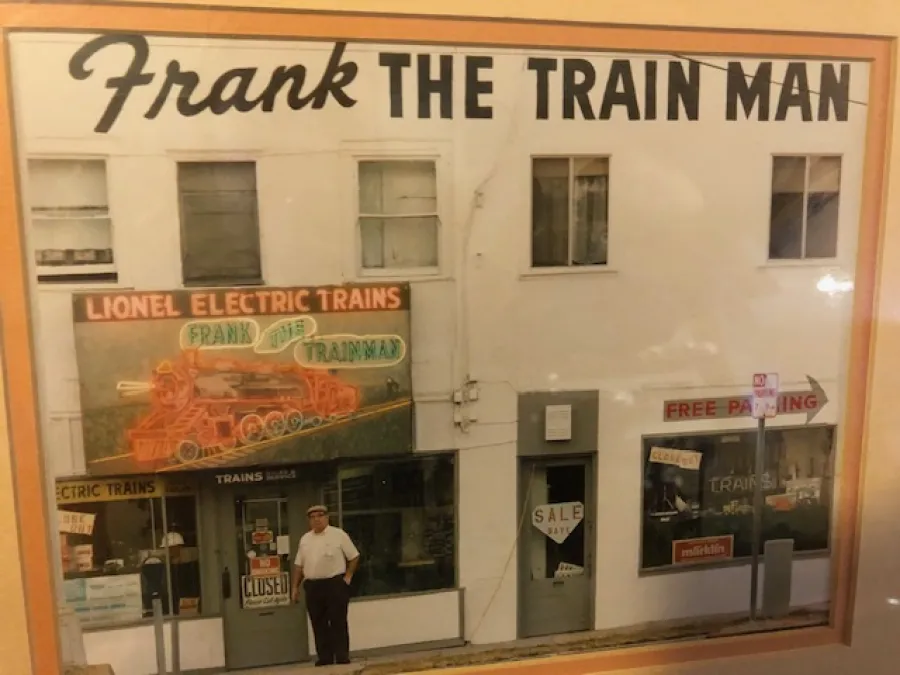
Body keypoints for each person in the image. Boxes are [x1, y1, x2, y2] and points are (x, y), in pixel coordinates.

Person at [291, 504, 360, 667]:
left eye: (320, 516)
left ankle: (342, 656)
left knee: (338, 621)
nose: (316, 520)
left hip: (334, 584)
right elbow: (299, 565)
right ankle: (325, 657)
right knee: (318, 622)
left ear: (327, 517)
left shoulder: (338, 535)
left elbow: (354, 556)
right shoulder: (305, 539)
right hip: (313, 585)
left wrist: (348, 577)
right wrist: (295, 587)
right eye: (313, 517)